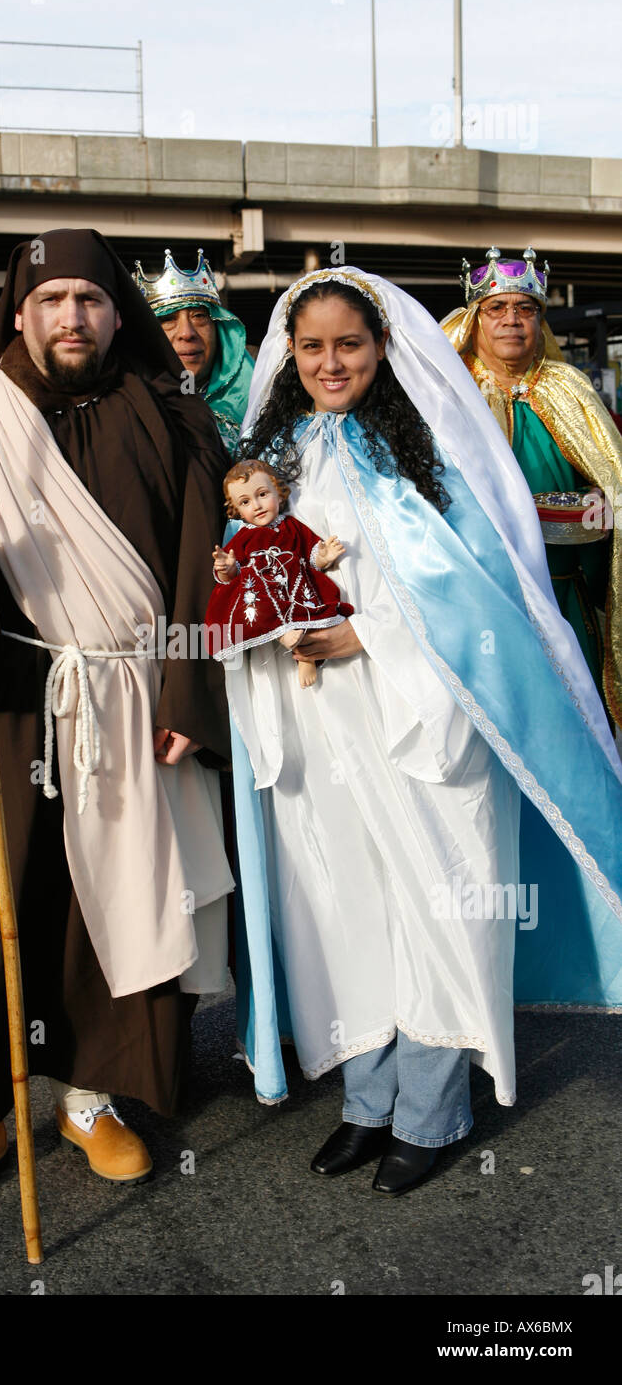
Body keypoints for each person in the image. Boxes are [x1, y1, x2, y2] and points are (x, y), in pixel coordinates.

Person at [228, 266, 622, 1196]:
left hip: (430, 709)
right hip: (324, 720)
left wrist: (364, 629)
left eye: (349, 345)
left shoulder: (436, 446)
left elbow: (487, 587)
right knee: (348, 904)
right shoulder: (274, 450)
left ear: (383, 348)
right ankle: (368, 1101)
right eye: (312, 346)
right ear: (291, 353)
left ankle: (434, 1107)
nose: (330, 362)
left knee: (437, 899)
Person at [0, 228, 234, 1219]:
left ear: (119, 312)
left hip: (126, 699)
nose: (70, 316)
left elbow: (205, 567)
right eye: (51, 300)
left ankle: (90, 1098)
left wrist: (185, 697)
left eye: (89, 299)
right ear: (19, 311)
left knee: (109, 903)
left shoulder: (169, 418)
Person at [441, 247, 622, 728]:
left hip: (567, 585)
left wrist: (603, 509)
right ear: (474, 320)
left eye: (525, 309)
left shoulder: (569, 386)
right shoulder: (450, 392)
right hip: (487, 591)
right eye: (496, 308)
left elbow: (609, 476)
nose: (512, 320)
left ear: (539, 321)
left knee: (575, 716)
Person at [205, 458, 352, 687]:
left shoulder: (291, 525)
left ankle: (305, 657)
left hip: (293, 580)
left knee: (309, 607)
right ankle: (285, 637)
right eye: (245, 502)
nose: (257, 505)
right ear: (237, 509)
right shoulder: (244, 536)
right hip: (264, 586)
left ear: (278, 492)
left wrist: (324, 555)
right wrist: (227, 567)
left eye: (262, 494)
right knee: (258, 599)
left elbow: (310, 552)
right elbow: (231, 577)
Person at [133, 248, 255, 453]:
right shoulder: (128, 408)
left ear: (219, 328)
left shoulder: (263, 399)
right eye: (168, 320)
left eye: (199, 316)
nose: (187, 333)